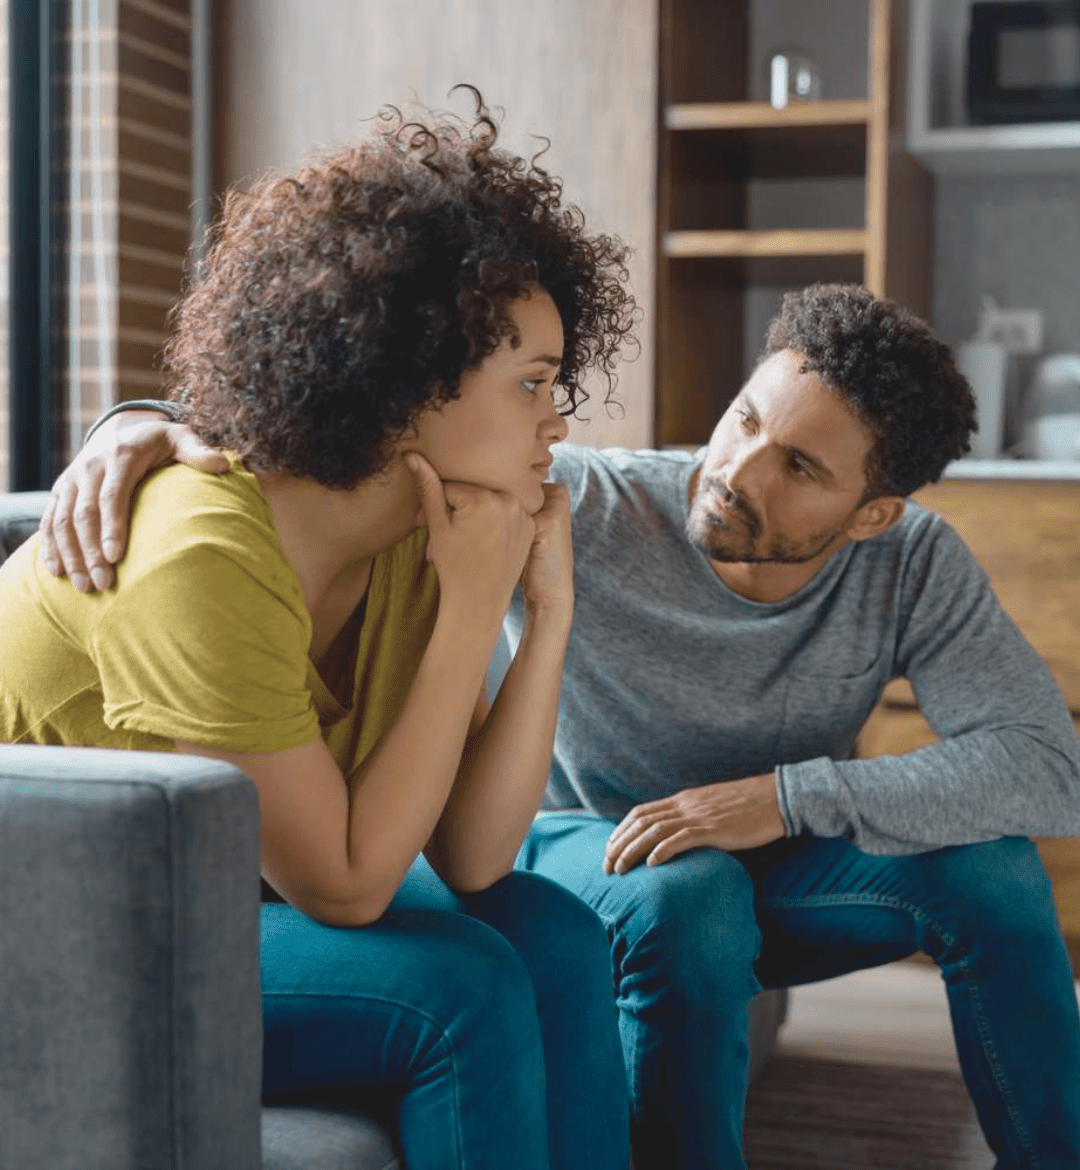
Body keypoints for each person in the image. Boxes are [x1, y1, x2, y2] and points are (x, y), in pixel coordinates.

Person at [35, 285, 1080, 1168]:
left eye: (801, 468)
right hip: (589, 844)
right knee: (688, 894)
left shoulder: (914, 563)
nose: (740, 470)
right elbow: (346, 432)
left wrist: (783, 798)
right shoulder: (587, 500)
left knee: (994, 875)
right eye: (748, 420)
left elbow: (1045, 767)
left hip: (779, 842)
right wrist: (133, 423)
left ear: (870, 515)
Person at [0, 91, 638, 1170]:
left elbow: (476, 856)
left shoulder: (412, 539)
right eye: (530, 383)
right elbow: (347, 885)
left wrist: (548, 618)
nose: (558, 420)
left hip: (204, 895)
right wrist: (476, 606)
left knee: (559, 936)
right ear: (401, 382)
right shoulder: (202, 547)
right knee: (460, 991)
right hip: (53, 931)